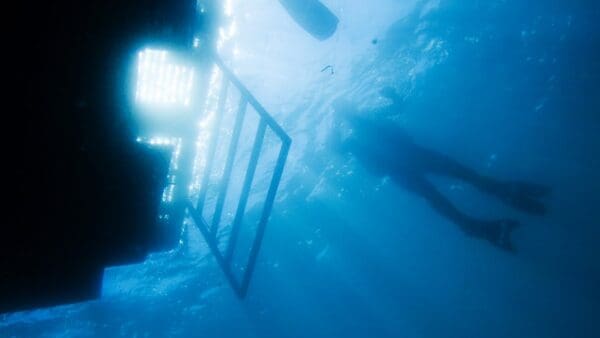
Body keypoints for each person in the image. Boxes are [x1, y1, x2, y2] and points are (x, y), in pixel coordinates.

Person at [329, 87, 550, 252]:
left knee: (457, 178)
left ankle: (493, 199)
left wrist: (392, 96)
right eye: (345, 109)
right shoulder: (355, 137)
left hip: (411, 158)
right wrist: (337, 120)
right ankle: (477, 218)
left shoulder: (370, 120)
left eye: (347, 106)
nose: (350, 110)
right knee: (440, 190)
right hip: (403, 167)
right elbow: (337, 148)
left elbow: (398, 106)